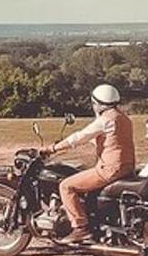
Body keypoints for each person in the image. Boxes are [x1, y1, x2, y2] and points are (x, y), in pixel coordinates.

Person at [45, 83, 135, 243]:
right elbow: (111, 141)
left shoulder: (105, 120)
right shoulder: (124, 118)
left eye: (93, 102)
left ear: (98, 103)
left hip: (109, 169)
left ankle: (80, 227)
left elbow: (80, 137)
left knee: (66, 186)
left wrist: (54, 148)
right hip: (127, 167)